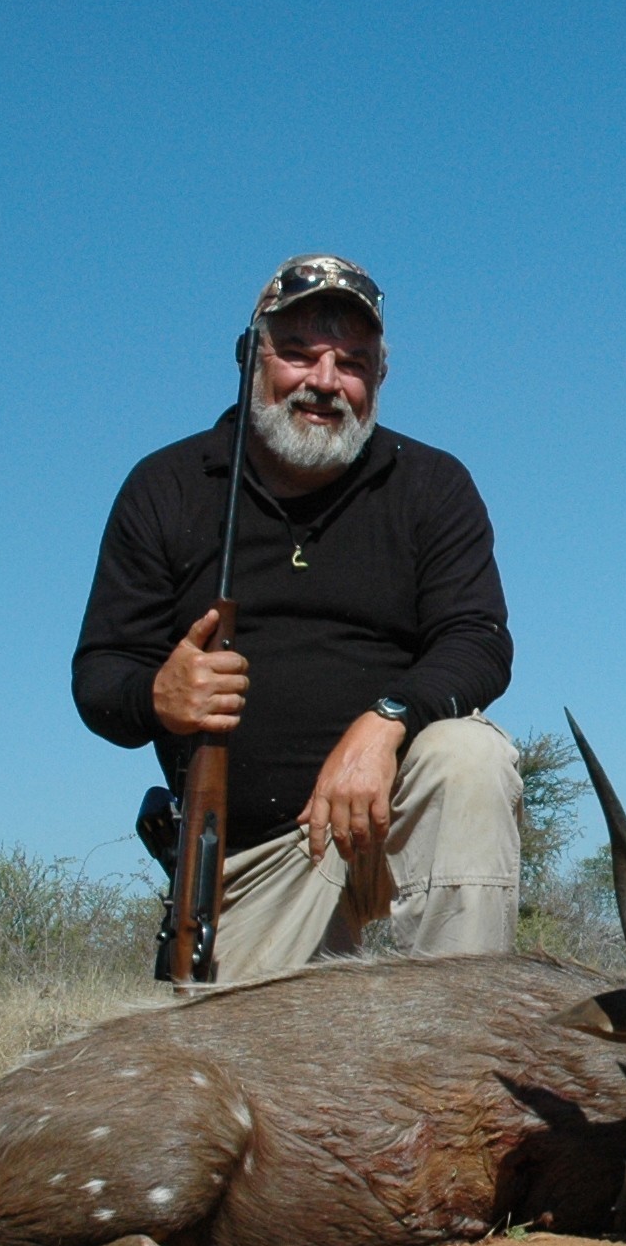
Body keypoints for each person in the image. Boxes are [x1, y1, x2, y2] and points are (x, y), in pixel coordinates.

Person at [74, 254, 523, 979]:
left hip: (390, 816)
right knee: (209, 1085)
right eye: (299, 354)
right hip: (253, 856)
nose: (324, 382)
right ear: (251, 357)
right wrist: (157, 697)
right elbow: (99, 677)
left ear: (378, 378)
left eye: (352, 362)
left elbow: (478, 642)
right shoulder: (167, 486)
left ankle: (459, 1053)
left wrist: (385, 720)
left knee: (469, 760)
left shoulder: (433, 484)